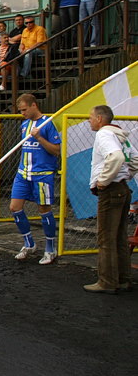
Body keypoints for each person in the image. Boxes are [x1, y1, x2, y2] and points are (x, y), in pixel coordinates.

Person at [84, 105, 133, 293]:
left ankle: (107, 281)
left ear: (99, 119)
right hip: (122, 187)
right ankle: (123, 278)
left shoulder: (104, 135)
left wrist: (103, 181)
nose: (89, 120)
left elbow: (116, 157)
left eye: (90, 117)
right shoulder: (120, 135)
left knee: (106, 237)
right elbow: (134, 159)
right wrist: (126, 175)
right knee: (119, 236)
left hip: (111, 189)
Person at [7, 94, 61, 265]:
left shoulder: (48, 123)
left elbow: (56, 150)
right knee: (14, 207)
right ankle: (29, 243)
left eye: (24, 109)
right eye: (20, 111)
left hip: (42, 174)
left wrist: (39, 137)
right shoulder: (24, 124)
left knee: (44, 209)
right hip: (23, 173)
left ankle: (51, 248)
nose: (22, 113)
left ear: (33, 106)